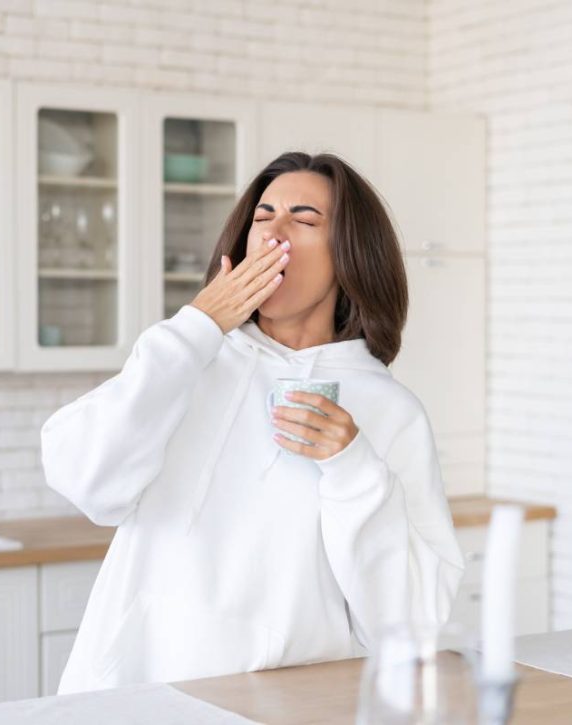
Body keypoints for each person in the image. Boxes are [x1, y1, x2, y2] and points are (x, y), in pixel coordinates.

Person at [41, 151, 465, 694]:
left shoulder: (390, 411)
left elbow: (413, 621)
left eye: (305, 220)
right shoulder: (188, 364)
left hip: (290, 706)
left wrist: (354, 466)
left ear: (351, 256)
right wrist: (195, 328)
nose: (274, 234)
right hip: (140, 698)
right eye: (262, 218)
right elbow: (82, 478)